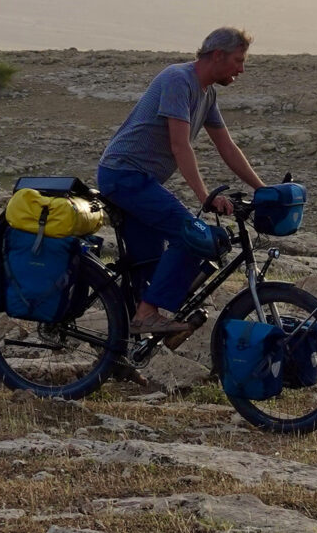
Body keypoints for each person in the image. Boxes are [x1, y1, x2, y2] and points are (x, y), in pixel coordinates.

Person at [96, 26, 267, 336]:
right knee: (195, 236)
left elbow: (226, 146)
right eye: (239, 60)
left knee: (146, 266)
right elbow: (180, 145)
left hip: (139, 180)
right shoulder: (179, 79)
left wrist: (263, 190)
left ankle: (125, 351)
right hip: (124, 175)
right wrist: (205, 196)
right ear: (218, 55)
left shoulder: (207, 92)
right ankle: (147, 315)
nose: (242, 69)